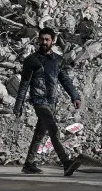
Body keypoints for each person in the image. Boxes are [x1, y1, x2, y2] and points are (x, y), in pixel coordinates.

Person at [13, 27, 82, 176]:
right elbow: (24, 84)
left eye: (47, 39)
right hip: (39, 101)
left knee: (40, 133)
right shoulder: (31, 60)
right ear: (38, 40)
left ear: (53, 41)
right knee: (53, 130)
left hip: (52, 102)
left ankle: (29, 164)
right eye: (42, 39)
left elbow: (65, 80)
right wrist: (18, 106)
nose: (44, 42)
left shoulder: (58, 60)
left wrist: (75, 96)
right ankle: (66, 162)